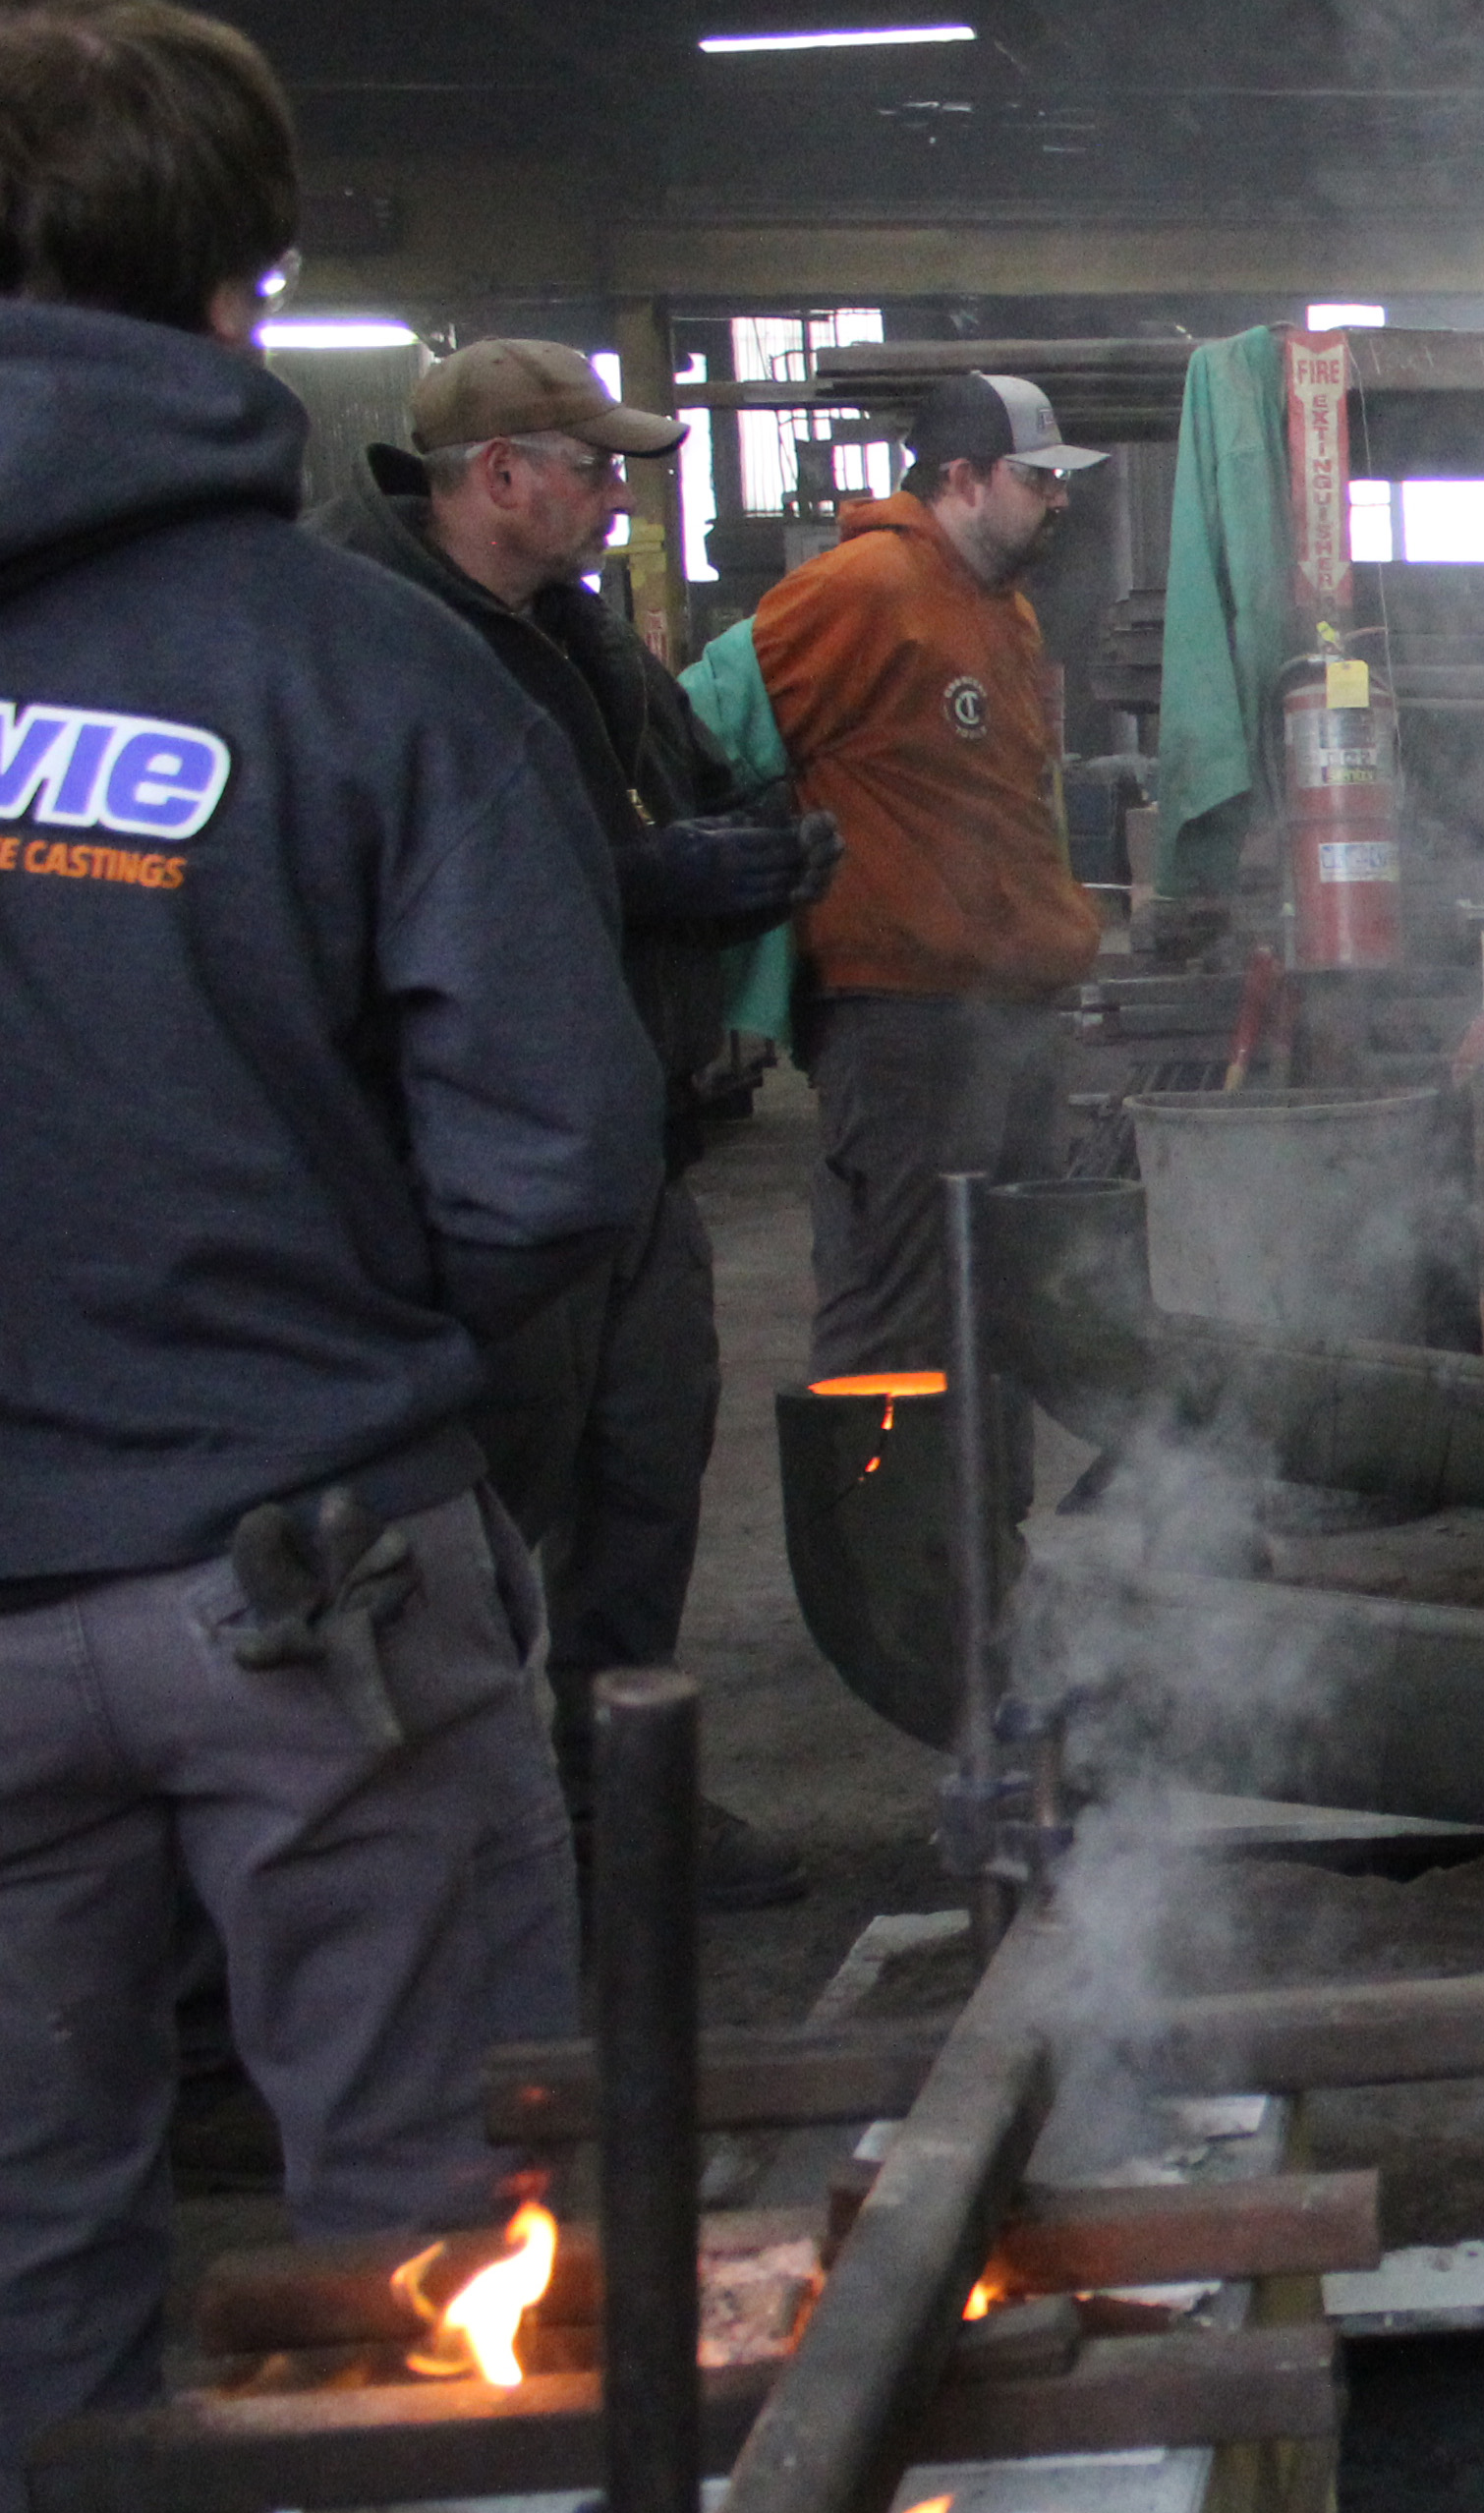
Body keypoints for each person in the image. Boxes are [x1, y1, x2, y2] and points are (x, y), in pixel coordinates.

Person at [0, 0, 656, 2513]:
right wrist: (336, 1342)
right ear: (258, 294)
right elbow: (555, 1162)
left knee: (25, 2247)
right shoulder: (360, 673)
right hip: (311, 1575)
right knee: (429, 2216)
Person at [314, 339, 840, 1911]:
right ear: (499, 475)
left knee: (643, 1470)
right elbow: (410, 891)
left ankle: (623, 1808)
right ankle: (457, 1853)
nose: (620, 501)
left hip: (633, 1139)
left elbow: (647, 805)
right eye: (596, 469)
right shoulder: (370, 640)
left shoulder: (578, 636)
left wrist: (728, 843)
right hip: (472, 1172)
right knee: (481, 1518)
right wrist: (641, 884)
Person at [749, 369, 1106, 1379]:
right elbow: (713, 730)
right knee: (896, 1309)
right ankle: (891, 1534)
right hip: (900, 1020)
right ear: (962, 477)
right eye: (1037, 481)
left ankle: (987, 1536)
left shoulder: (1005, 612)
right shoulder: (859, 590)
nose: (1058, 500)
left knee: (1006, 1308)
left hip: (1006, 1012)